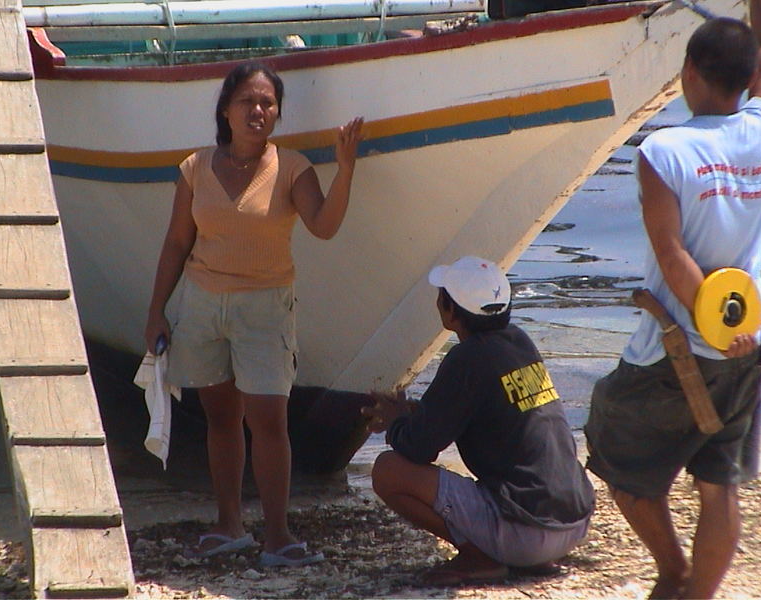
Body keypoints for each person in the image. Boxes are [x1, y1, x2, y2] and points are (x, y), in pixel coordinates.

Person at [144, 61, 363, 566]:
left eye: (267, 103)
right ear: (226, 109)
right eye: (248, 101)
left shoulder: (292, 168)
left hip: (266, 307)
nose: (258, 111)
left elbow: (324, 226)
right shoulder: (195, 167)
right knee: (220, 419)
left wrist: (346, 168)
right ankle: (229, 525)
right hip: (201, 303)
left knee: (269, 421)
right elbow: (177, 242)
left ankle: (278, 537)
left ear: (278, 113)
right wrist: (156, 311)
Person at [585, 18, 761, 599]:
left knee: (618, 461)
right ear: (751, 75)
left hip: (680, 345)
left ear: (689, 72)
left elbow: (671, 252)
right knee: (720, 485)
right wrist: (738, 329)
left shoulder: (665, 149)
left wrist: (717, 324)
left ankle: (675, 573)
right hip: (750, 342)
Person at [363, 256, 595, 586]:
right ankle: (522, 555)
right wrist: (413, 415)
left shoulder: (467, 358)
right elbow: (484, 411)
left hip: (527, 533)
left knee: (388, 470)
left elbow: (418, 449)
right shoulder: (518, 342)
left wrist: (396, 423)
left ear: (450, 312)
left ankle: (479, 558)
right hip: (574, 522)